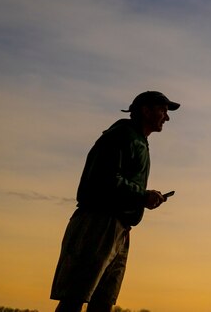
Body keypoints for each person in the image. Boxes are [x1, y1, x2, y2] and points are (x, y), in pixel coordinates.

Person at [51, 91, 180, 312]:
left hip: (119, 227)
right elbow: (105, 178)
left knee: (104, 301)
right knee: (76, 295)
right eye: (162, 110)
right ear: (145, 110)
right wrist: (142, 196)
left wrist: (142, 198)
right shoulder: (121, 136)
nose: (166, 117)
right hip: (98, 223)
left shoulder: (137, 140)